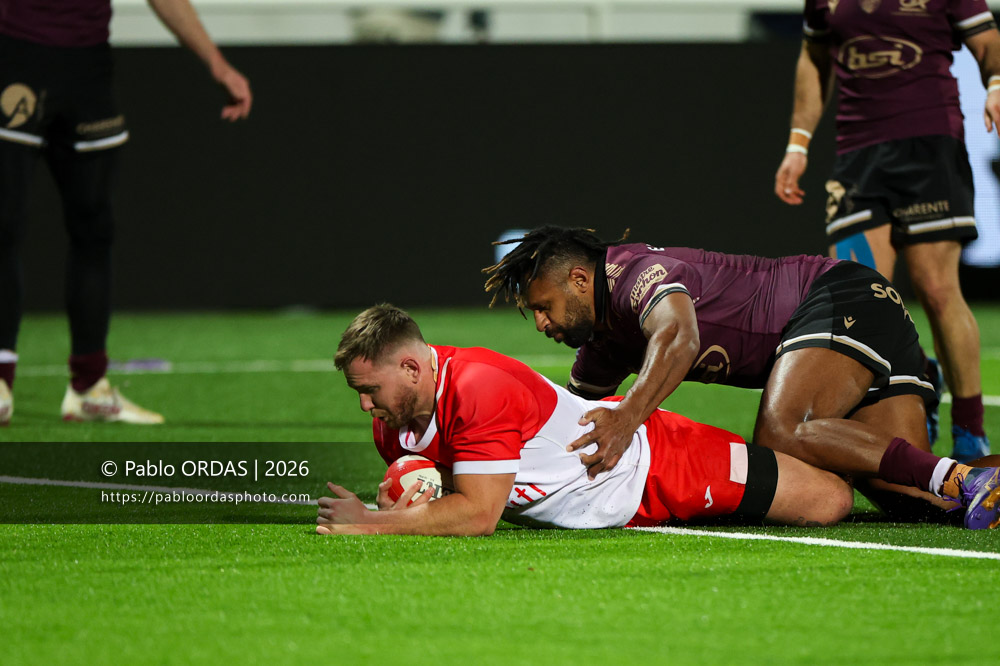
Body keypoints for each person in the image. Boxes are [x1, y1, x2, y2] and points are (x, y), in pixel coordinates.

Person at [316, 304, 997, 536]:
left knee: (829, 499)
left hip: (655, 461)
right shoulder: (393, 423)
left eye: (370, 389)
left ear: (411, 368)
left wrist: (375, 524)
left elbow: (477, 513)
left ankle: (960, 476)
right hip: (614, 494)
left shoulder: (480, 385)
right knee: (826, 492)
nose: (365, 407)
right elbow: (440, 491)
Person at [481, 226, 1000, 526]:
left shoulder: (634, 275)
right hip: (861, 323)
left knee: (782, 434)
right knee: (916, 497)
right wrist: (467, 476)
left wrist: (626, 419)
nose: (543, 323)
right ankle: (969, 477)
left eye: (544, 307)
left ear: (578, 279)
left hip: (840, 298)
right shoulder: (602, 345)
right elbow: (552, 426)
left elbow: (679, 339)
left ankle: (954, 468)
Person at [0, 0, 252, 425]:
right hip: (15, 57)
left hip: (89, 69)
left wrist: (216, 63)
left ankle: (89, 387)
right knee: (3, 224)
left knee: (95, 228)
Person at [772, 0, 1000, 462]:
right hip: (857, 157)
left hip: (930, 149)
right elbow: (814, 59)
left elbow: (988, 40)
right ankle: (917, 377)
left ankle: (969, 430)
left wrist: (996, 84)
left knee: (938, 290)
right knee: (860, 297)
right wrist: (798, 143)